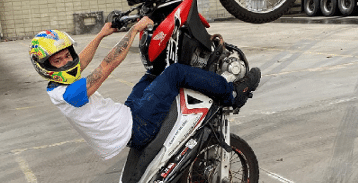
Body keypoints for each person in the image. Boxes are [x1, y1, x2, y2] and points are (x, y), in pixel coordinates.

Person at [29, 17, 260, 160]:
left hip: (129, 114)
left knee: (154, 74)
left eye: (66, 55)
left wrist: (101, 34)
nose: (67, 61)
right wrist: (134, 31)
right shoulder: (68, 94)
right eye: (58, 60)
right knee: (175, 73)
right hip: (138, 128)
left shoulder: (59, 83)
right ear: (44, 66)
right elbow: (107, 65)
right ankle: (230, 94)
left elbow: (81, 61)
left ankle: (204, 81)